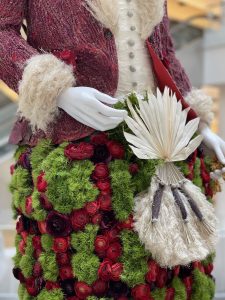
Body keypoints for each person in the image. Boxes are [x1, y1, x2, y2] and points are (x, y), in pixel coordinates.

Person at [0, 0, 223, 299]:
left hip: (162, 138)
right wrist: (57, 91)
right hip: (74, 141)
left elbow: (164, 49)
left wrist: (198, 123)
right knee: (86, 274)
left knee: (167, 276)